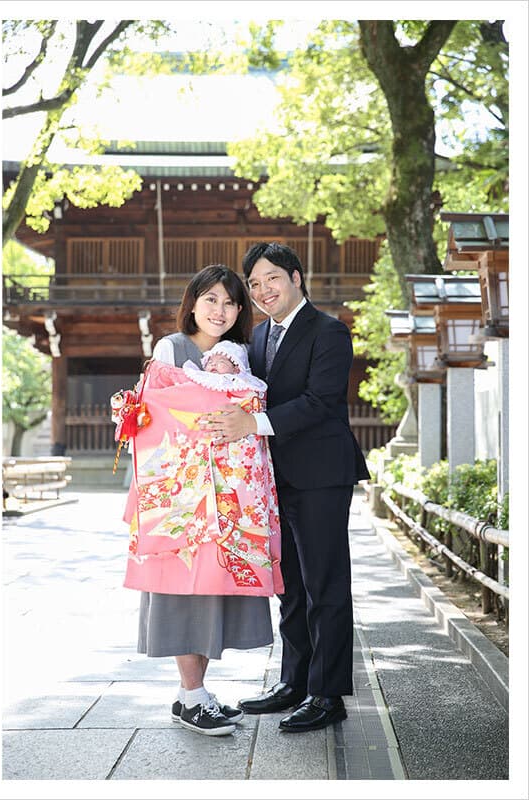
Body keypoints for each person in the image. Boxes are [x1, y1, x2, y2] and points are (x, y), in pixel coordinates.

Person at [203, 242, 370, 733]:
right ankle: (294, 681)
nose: (262, 290)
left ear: (297, 278)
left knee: (326, 584)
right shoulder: (257, 340)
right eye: (253, 284)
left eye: (271, 278)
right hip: (272, 478)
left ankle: (327, 693)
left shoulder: (329, 332)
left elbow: (320, 402)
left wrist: (252, 423)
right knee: (291, 586)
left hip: (321, 475)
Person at [124, 264, 279, 737]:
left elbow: (251, 411)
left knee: (211, 593)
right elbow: (161, 409)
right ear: (191, 303)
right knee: (181, 590)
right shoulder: (172, 348)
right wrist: (220, 412)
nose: (220, 310)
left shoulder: (242, 356)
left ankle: (195, 694)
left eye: (231, 302)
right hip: (182, 495)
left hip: (228, 492)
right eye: (210, 299)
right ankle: (191, 696)